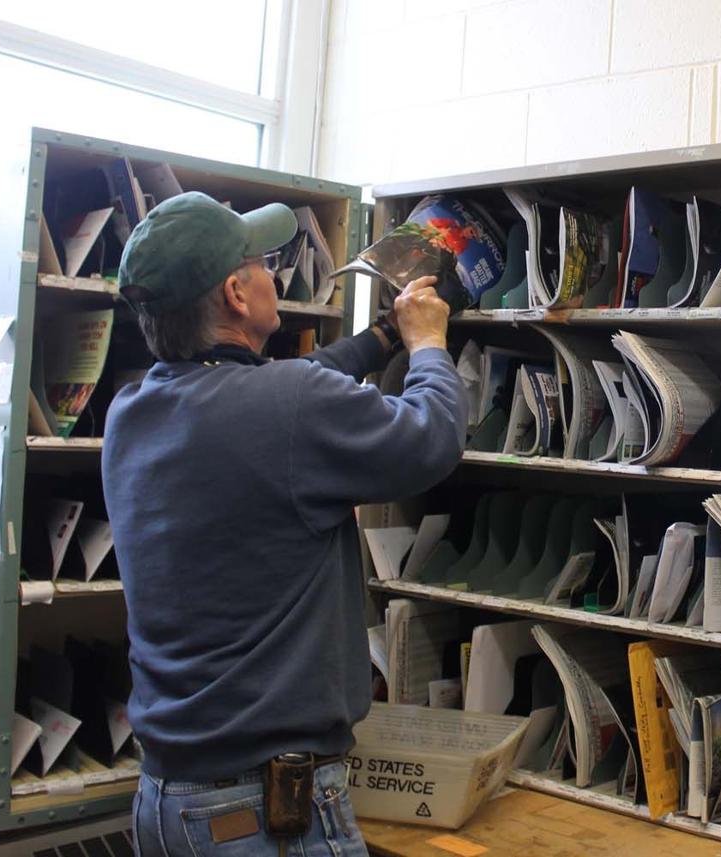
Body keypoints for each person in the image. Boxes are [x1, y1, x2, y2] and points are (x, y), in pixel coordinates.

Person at [101, 191, 468, 856]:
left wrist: (380, 337)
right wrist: (427, 342)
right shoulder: (287, 406)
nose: (274, 272)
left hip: (166, 803)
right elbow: (431, 437)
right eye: (263, 262)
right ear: (238, 294)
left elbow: (280, 390)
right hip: (263, 815)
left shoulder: (132, 413)